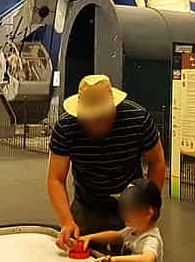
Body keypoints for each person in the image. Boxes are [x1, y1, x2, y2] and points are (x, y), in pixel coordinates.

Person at [48, 74, 167, 250]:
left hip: (131, 205)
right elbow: (55, 178)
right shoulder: (65, 128)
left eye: (102, 117)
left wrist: (147, 206)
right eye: (89, 118)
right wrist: (66, 221)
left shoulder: (138, 119)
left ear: (114, 108)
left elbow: (157, 163)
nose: (96, 124)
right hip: (87, 205)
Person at [77, 178, 164, 262]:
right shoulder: (133, 230)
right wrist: (90, 237)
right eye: (125, 208)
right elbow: (116, 235)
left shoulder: (151, 239)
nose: (125, 214)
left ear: (148, 214)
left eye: (131, 210)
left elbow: (148, 259)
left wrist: (113, 260)